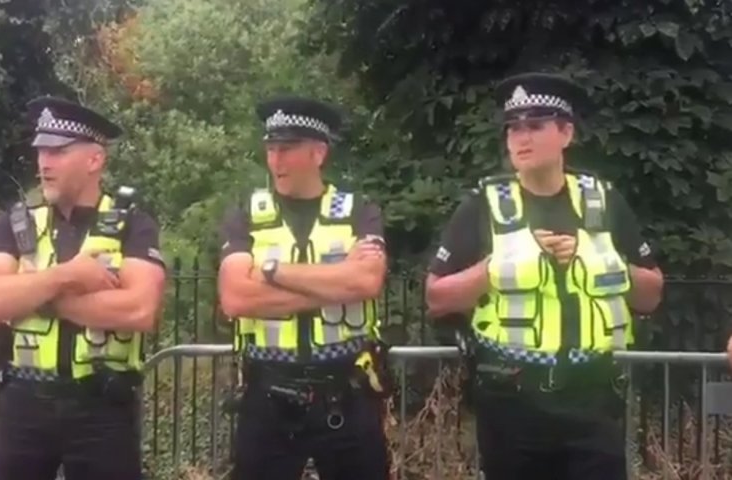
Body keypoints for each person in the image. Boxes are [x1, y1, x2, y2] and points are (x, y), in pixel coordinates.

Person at [424, 72, 664, 480]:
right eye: (513, 128)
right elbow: (436, 297)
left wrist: (607, 266)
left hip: (594, 397)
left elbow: (652, 294)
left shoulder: (603, 201)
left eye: (535, 126)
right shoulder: (483, 204)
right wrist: (495, 268)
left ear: (566, 133)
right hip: (512, 400)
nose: (521, 137)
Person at [0, 96, 167, 480]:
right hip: (22, 405)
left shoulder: (133, 226)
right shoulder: (16, 223)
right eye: (40, 151)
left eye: (57, 152)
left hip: (102, 407)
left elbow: (140, 310)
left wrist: (32, 297)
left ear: (94, 160)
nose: (44, 163)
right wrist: (66, 276)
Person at [217, 95, 393, 480]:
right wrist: (334, 283)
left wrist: (271, 271)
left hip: (346, 391)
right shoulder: (246, 212)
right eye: (271, 149)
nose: (276, 161)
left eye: (288, 149)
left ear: (318, 153)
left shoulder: (358, 210)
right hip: (267, 393)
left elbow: (367, 281)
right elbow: (235, 297)